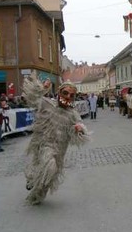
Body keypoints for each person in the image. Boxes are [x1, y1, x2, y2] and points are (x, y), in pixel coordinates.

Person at [23, 72, 90, 205]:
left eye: (72, 95)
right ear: (59, 92)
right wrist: (43, 87)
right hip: (44, 144)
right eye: (65, 93)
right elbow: (32, 98)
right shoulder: (47, 104)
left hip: (60, 149)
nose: (68, 97)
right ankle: (33, 180)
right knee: (49, 166)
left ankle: (36, 195)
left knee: (50, 174)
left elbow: (81, 125)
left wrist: (79, 129)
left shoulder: (72, 114)